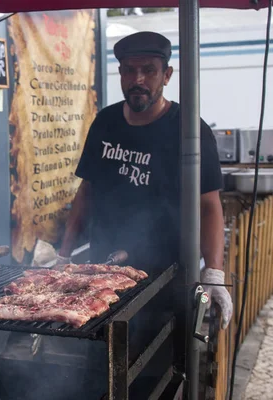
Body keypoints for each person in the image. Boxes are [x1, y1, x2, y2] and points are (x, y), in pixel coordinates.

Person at [55, 31, 233, 332]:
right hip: (102, 269)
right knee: (101, 354)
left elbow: (209, 205)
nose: (137, 80)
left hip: (166, 274)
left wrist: (213, 273)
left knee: (156, 365)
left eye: (148, 70)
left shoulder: (190, 129)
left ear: (167, 75)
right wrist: (63, 254)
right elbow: (86, 190)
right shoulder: (105, 122)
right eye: (129, 70)